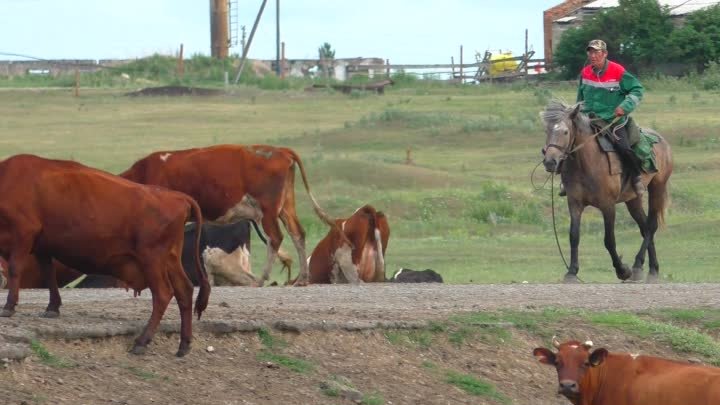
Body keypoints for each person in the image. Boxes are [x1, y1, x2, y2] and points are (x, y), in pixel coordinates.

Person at [559, 39, 645, 198]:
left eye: (596, 52)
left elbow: (637, 90)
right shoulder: (585, 72)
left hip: (612, 121)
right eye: (590, 52)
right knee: (565, 144)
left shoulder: (618, 71)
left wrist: (624, 107)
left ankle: (636, 177)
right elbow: (580, 98)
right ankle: (567, 181)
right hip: (587, 120)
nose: (593, 55)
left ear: (605, 54)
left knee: (624, 148)